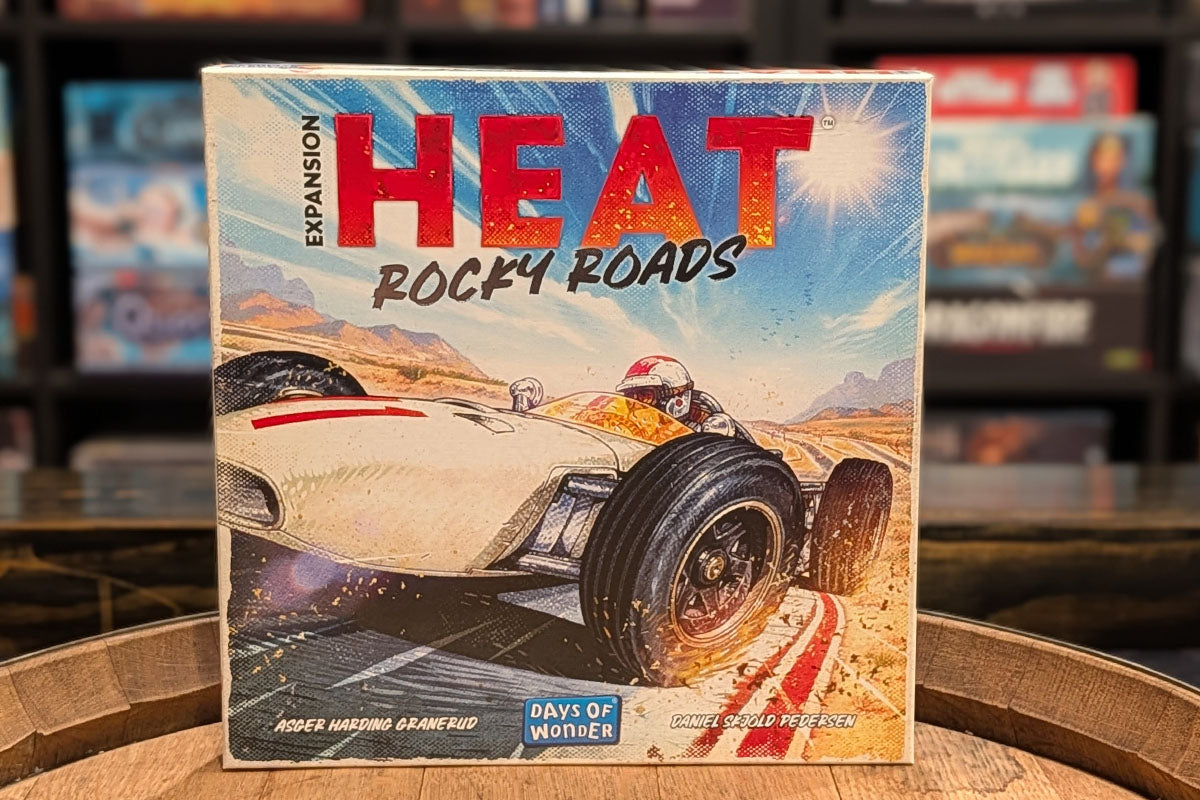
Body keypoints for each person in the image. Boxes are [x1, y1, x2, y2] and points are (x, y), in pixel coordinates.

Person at [509, 355, 752, 441]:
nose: (635, 404)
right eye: (630, 396)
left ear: (677, 398)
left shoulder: (703, 430)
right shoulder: (627, 424)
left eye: (645, 396)